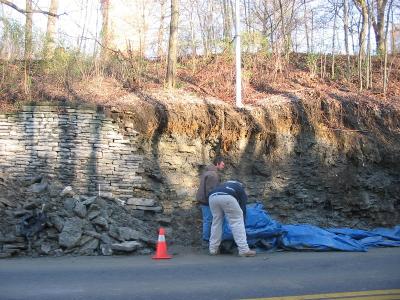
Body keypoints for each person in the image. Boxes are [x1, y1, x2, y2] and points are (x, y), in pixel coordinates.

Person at [207, 180, 256, 257]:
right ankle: (244, 250)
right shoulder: (240, 188)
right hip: (227, 196)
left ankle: (213, 249)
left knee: (216, 222)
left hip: (212, 197)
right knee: (237, 221)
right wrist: (243, 220)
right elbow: (243, 207)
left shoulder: (223, 185)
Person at [196, 157, 225, 242]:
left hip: (203, 200)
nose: (223, 166)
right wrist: (215, 203)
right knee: (208, 220)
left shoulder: (208, 172)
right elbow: (211, 191)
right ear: (217, 164)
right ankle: (206, 240)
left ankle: (208, 239)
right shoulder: (213, 175)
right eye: (222, 164)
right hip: (206, 202)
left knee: (208, 220)